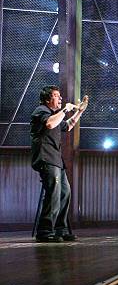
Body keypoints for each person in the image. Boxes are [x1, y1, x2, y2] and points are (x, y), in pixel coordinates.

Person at [30, 85, 88, 242]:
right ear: (48, 99)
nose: (60, 98)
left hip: (56, 160)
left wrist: (79, 111)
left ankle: (60, 230)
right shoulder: (41, 110)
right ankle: (44, 231)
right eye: (56, 95)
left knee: (65, 192)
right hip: (46, 158)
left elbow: (68, 125)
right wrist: (64, 110)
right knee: (54, 193)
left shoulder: (55, 114)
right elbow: (49, 124)